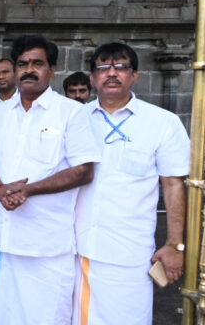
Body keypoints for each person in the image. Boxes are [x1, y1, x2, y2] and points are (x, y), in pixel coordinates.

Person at [0, 35, 101, 324]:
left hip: (48, 244)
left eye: (37, 64)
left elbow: (84, 170)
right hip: (3, 240)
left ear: (52, 70)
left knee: (46, 316)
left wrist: (28, 190)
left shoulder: (71, 112)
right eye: (22, 64)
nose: (29, 70)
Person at [73, 43, 189, 325]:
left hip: (130, 255)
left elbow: (174, 186)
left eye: (121, 67)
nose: (111, 73)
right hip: (77, 250)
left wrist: (175, 245)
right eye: (103, 68)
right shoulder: (75, 119)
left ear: (134, 75)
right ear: (92, 78)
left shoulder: (163, 123)